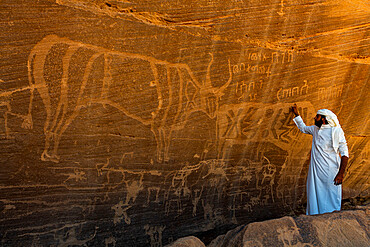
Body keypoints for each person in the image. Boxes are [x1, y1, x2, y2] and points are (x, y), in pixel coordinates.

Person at [291, 104, 349, 215]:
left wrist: (340, 174)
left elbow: (345, 154)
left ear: (323, 119)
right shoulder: (315, 129)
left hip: (331, 171)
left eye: (317, 116)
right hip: (316, 171)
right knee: (314, 194)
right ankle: (315, 216)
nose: (314, 118)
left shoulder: (336, 132)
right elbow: (303, 128)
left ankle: (332, 218)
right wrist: (297, 114)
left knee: (331, 195)